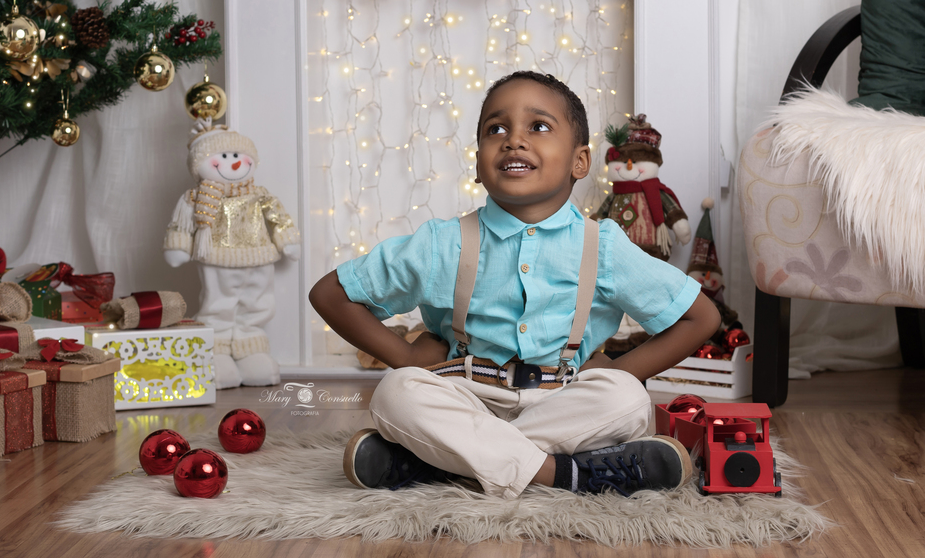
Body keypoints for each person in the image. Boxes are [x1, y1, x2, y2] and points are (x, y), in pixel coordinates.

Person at [309, 71, 721, 500]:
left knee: (627, 399)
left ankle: (439, 463)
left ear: (580, 162)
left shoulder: (604, 246)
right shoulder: (442, 243)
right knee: (397, 393)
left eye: (538, 127)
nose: (513, 140)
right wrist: (409, 357)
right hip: (467, 394)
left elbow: (700, 316)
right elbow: (330, 294)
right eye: (496, 129)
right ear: (477, 164)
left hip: (562, 401)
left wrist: (620, 371)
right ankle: (564, 475)